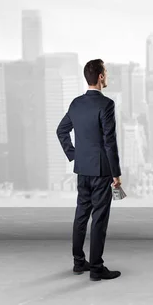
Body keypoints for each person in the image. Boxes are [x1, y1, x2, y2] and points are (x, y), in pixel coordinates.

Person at [56, 58, 122, 281]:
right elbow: (109, 142)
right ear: (101, 77)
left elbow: (61, 131)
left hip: (82, 169)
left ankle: (78, 263)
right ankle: (96, 268)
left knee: (81, 215)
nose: (108, 76)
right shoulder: (106, 105)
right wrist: (116, 174)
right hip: (102, 171)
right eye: (107, 72)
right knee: (99, 219)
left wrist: (73, 154)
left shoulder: (76, 104)